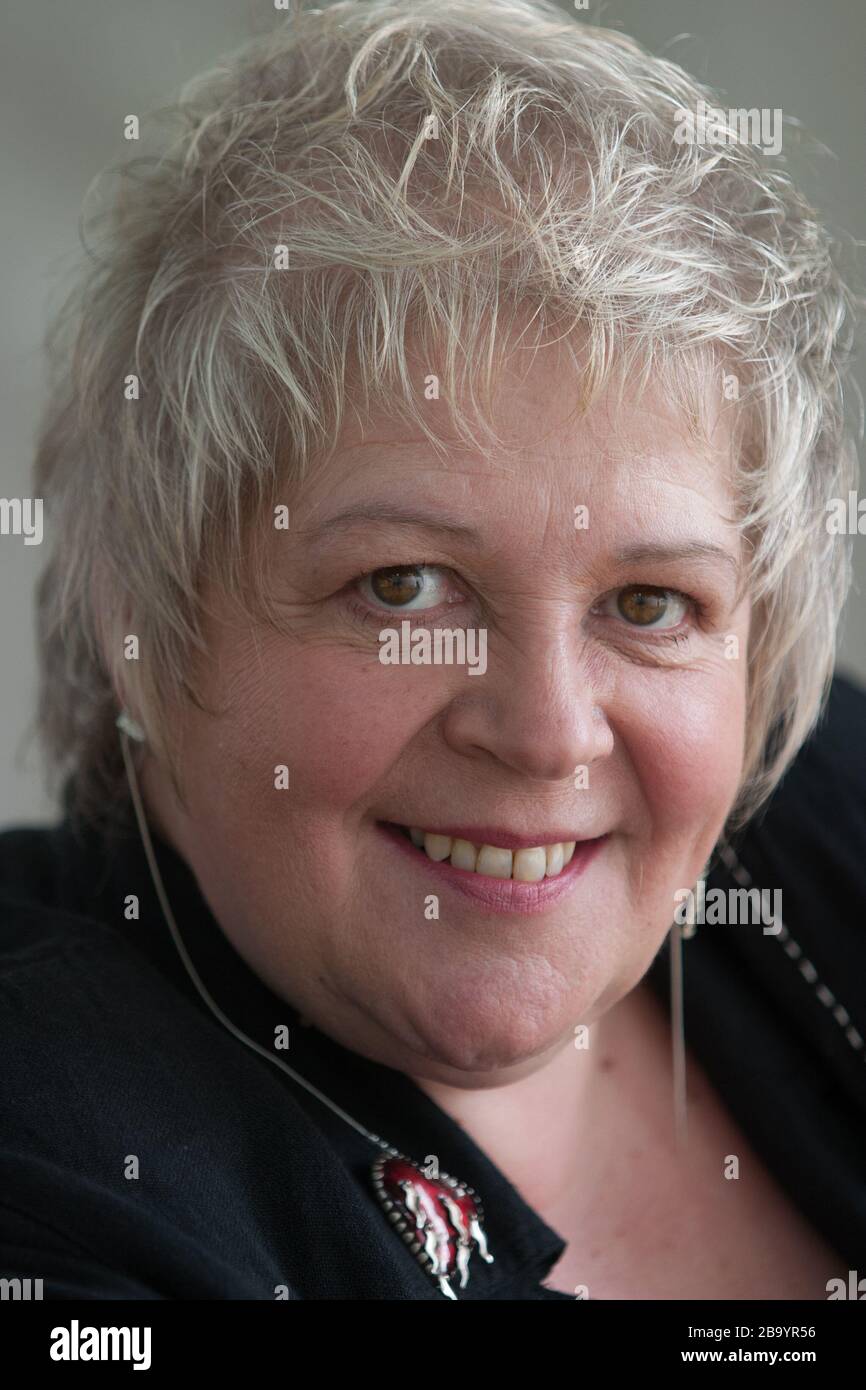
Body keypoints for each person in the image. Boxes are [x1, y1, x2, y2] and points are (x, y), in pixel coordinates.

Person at [1, 0, 863, 1300]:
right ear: (146, 614)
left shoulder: (826, 815)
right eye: (403, 586)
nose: (549, 728)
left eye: (647, 603)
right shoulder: (50, 1154)